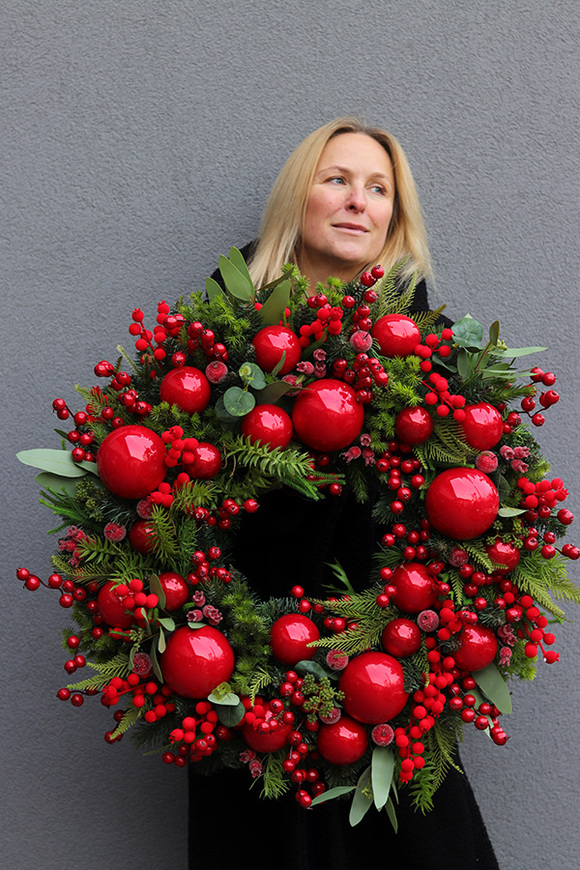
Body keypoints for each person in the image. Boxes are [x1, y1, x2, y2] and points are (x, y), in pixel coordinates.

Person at [189, 117, 500, 869]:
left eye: (379, 188)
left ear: (396, 216)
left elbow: (468, 525)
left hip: (390, 694)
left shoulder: (431, 370)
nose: (359, 201)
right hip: (244, 692)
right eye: (338, 180)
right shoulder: (211, 355)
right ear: (300, 198)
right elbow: (186, 518)